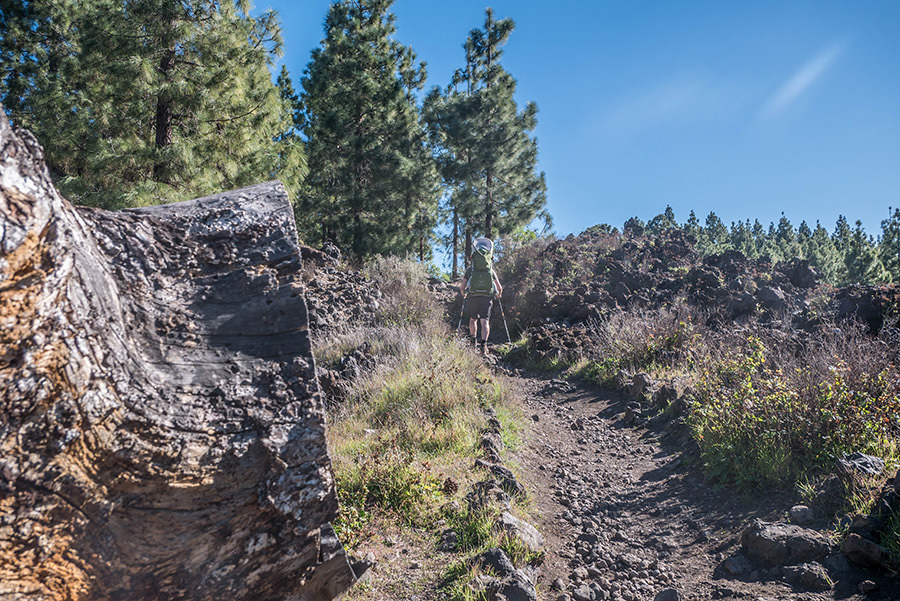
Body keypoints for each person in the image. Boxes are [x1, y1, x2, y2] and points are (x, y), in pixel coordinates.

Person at [459, 237, 502, 354]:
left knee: (473, 319)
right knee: (484, 322)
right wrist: (498, 295)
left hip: (473, 297)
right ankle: (484, 345)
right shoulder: (491, 271)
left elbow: (462, 287)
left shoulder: (470, 270)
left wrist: (464, 295)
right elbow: (499, 288)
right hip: (487, 298)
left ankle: (473, 341)